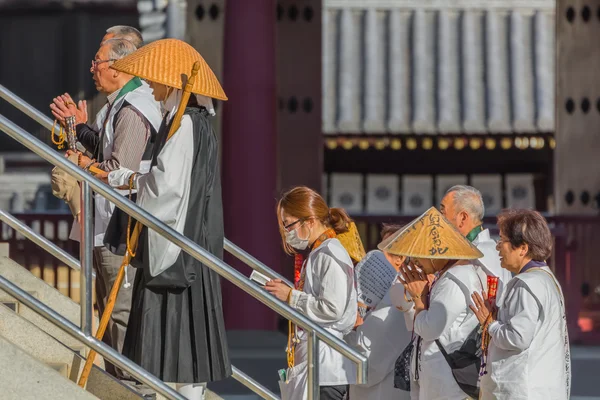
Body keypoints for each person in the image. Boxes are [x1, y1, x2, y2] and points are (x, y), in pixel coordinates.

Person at [104, 38, 230, 399]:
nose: (151, 86)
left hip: (177, 247)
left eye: (157, 80)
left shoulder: (187, 125)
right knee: (182, 344)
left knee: (180, 346)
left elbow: (165, 188)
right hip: (190, 242)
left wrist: (125, 179)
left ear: (174, 82)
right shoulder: (190, 123)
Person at [49, 37, 163, 375]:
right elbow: (99, 151)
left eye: (97, 60)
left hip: (120, 227)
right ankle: (118, 383)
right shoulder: (116, 104)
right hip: (104, 224)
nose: (92, 67)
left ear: (117, 66)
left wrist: (84, 162)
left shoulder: (135, 107)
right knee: (107, 312)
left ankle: (130, 384)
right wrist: (77, 130)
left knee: (120, 313)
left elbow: (118, 171)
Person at [381, 207, 486, 400]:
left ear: (433, 254)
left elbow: (430, 328)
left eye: (418, 255)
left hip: (448, 379)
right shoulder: (448, 275)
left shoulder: (455, 278)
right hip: (440, 376)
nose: (416, 262)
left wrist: (419, 299)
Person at [266, 186, 358, 400]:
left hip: (326, 364)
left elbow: (332, 308)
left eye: (288, 224)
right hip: (318, 361)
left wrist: (291, 296)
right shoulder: (320, 252)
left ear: (309, 221)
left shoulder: (330, 252)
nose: (287, 232)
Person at [470, 210, 571, 400]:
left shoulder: (527, 283)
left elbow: (517, 338)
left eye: (502, 240)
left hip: (523, 390)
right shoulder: (545, 279)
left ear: (523, 248)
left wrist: (489, 323)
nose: (498, 247)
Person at [348, 224, 411, 400]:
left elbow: (368, 369)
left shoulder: (397, 305)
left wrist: (353, 329)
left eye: (387, 253)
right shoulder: (382, 299)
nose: (378, 260)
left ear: (401, 259)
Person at [440, 185, 512, 302]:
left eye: (443, 213)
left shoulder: (480, 256)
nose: (438, 220)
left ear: (462, 218)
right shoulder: (487, 249)